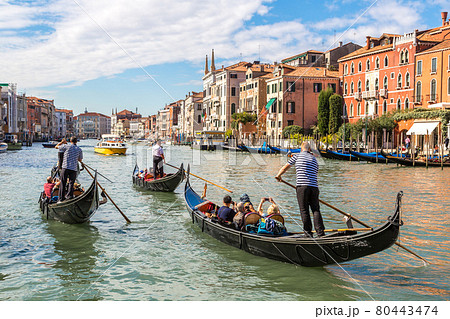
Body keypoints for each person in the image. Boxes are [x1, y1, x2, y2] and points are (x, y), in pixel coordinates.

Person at [275, 141, 325, 237]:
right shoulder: (314, 159)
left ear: (301, 149)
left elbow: (285, 167)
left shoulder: (297, 156)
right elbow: (315, 172)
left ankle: (308, 233)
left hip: (302, 187)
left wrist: (278, 175)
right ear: (309, 149)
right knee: (316, 210)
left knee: (304, 210)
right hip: (314, 187)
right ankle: (320, 232)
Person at [56, 137, 83, 202]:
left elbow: (56, 147)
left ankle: (61, 199)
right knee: (71, 183)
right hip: (73, 168)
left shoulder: (66, 146)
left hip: (65, 167)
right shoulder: (79, 149)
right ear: (76, 142)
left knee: (63, 182)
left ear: (70, 141)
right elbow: (80, 159)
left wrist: (62, 142)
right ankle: (69, 196)